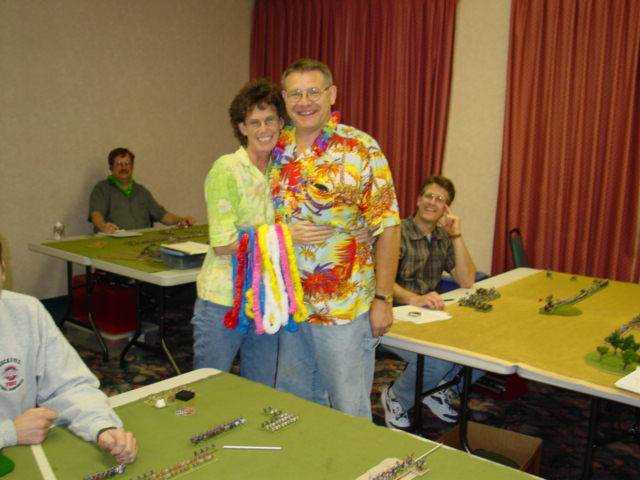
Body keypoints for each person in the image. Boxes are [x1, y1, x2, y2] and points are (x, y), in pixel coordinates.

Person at [270, 58, 401, 418]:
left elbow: (389, 227)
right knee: (294, 404)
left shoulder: (360, 149)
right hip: (291, 305)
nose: (304, 102)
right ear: (284, 98)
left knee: (348, 408)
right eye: (296, 94)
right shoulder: (276, 149)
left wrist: (383, 298)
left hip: (343, 308)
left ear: (332, 94)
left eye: (313, 92)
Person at [191, 79, 333, 386]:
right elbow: (223, 244)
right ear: (242, 128)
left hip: (267, 298)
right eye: (254, 122)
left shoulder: (283, 170)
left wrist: (359, 232)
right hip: (223, 298)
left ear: (282, 123)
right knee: (208, 385)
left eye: (270, 120)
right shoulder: (226, 169)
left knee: (260, 387)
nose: (264, 129)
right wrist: (285, 235)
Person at [0, 241, 137, 463]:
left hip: (19, 455)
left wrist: (101, 426)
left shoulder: (27, 311)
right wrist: (8, 432)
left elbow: (69, 385)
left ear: (3, 270)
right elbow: (12, 432)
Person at [381, 175, 481, 429]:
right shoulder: (397, 232)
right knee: (438, 358)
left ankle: (435, 388)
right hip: (391, 316)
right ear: (418, 200)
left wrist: (456, 235)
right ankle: (396, 397)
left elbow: (467, 279)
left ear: (446, 208)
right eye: (429, 196)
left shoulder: (442, 237)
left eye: (440, 200)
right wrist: (414, 298)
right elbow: (381, 280)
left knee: (479, 346)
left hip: (426, 317)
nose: (432, 203)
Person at [89, 147, 195, 233]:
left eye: (127, 163)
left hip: (142, 241)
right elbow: (96, 215)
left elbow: (162, 216)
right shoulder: (102, 189)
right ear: (111, 167)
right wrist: (103, 227)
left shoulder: (141, 191)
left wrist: (182, 220)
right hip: (113, 243)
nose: (124, 167)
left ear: (132, 167)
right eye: (119, 164)